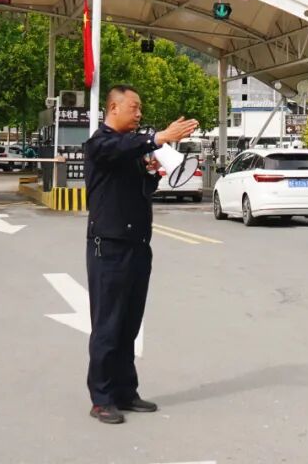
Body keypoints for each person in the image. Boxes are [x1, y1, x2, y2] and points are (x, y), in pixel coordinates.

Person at [84, 85, 198, 425]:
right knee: (108, 326)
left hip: (137, 246)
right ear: (114, 107)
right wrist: (158, 138)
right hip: (109, 247)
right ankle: (101, 398)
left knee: (129, 325)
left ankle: (125, 391)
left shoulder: (131, 150)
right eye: (134, 107)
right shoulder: (100, 144)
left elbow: (143, 190)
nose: (139, 113)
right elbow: (118, 148)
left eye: (140, 108)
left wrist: (151, 171)